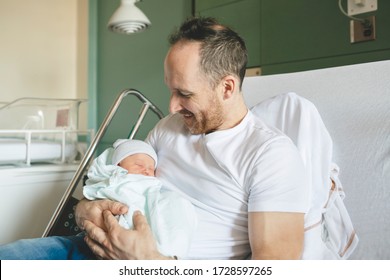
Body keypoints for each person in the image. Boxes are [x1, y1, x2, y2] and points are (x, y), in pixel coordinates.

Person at [0, 16, 309, 260]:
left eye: (184, 94)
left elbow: (273, 268)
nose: (172, 106)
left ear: (227, 88)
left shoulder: (270, 156)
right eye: (170, 90)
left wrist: (151, 263)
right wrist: (85, 212)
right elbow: (119, 186)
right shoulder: (167, 129)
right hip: (85, 249)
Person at [83, 139, 196, 259]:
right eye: (139, 165)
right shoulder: (114, 181)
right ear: (118, 165)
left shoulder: (150, 185)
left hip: (143, 245)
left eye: (152, 168)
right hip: (113, 231)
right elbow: (98, 194)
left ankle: (166, 248)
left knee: (176, 202)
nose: (146, 171)